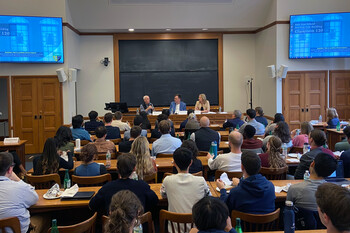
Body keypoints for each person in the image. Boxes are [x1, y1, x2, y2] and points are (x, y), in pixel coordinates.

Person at [89, 153, 158, 215]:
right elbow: (154, 201)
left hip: (113, 226)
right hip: (138, 225)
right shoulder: (143, 186)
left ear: (117, 169)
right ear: (134, 168)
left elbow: (92, 205)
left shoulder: (107, 187)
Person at [161, 148, 211, 214]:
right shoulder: (201, 181)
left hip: (175, 223)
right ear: (191, 162)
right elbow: (209, 196)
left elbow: (163, 195)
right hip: (197, 222)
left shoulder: (167, 180)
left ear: (174, 163)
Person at [0, 152, 39, 233]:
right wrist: (18, 179)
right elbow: (35, 198)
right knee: (45, 218)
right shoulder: (20, 187)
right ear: (10, 169)